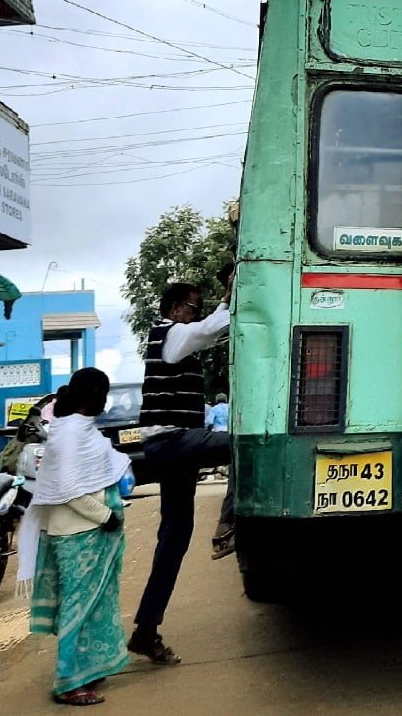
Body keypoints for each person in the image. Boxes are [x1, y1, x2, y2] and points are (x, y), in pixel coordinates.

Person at [128, 272, 235, 667]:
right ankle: (228, 524)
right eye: (194, 306)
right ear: (175, 308)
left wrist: (222, 305)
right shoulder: (170, 334)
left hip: (176, 446)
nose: (199, 313)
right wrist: (229, 302)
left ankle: (145, 631)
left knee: (174, 538)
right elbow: (211, 329)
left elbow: (211, 332)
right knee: (247, 447)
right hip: (171, 443)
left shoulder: (176, 340)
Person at [16, 367, 131, 707]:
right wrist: (105, 515)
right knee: (78, 607)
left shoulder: (76, 429)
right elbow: (67, 490)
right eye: (103, 392)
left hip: (85, 531)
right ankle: (68, 681)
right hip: (77, 532)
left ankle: (86, 669)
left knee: (94, 605)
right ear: (91, 395)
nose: (105, 399)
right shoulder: (69, 435)